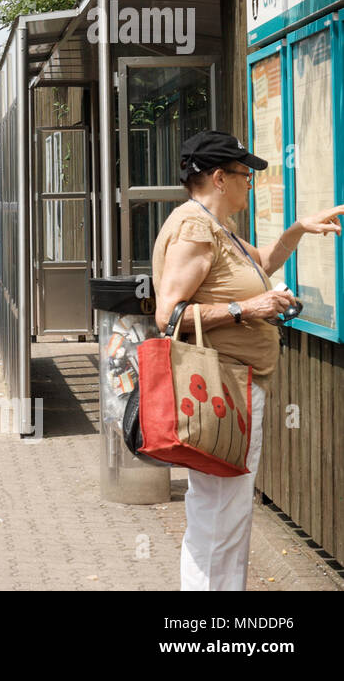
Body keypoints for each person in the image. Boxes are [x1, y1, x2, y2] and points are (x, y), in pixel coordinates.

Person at [152, 129, 344, 591]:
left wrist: (298, 229)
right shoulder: (195, 230)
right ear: (219, 178)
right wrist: (248, 309)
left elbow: (266, 267)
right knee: (219, 513)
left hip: (235, 387)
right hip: (219, 390)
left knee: (226, 511)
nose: (249, 184)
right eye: (244, 176)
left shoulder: (220, 228)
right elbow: (169, 316)